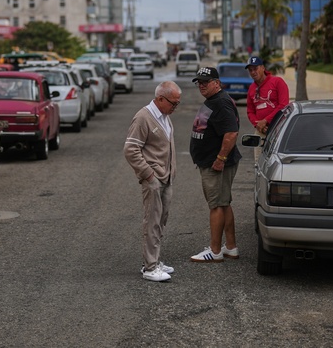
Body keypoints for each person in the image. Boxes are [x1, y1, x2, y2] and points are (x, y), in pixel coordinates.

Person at [123, 81, 181, 283]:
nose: (175, 107)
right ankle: (150, 267)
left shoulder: (164, 116)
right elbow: (130, 150)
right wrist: (149, 175)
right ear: (160, 99)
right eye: (173, 103)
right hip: (154, 179)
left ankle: (154, 259)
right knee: (152, 221)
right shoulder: (143, 117)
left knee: (161, 221)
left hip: (166, 177)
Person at [188, 66, 240, 263]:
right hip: (212, 162)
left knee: (216, 205)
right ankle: (231, 247)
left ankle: (215, 250)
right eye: (199, 82)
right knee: (223, 203)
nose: (201, 86)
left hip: (217, 164)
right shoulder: (214, 101)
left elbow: (231, 133)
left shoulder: (222, 103)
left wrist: (220, 159)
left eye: (205, 82)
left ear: (216, 83)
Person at [245, 55, 290, 135]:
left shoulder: (277, 82)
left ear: (262, 68)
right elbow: (250, 111)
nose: (253, 72)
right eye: (250, 70)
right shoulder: (251, 88)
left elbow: (283, 105)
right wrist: (258, 124)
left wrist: (265, 121)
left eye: (255, 69)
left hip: (279, 128)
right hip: (261, 130)